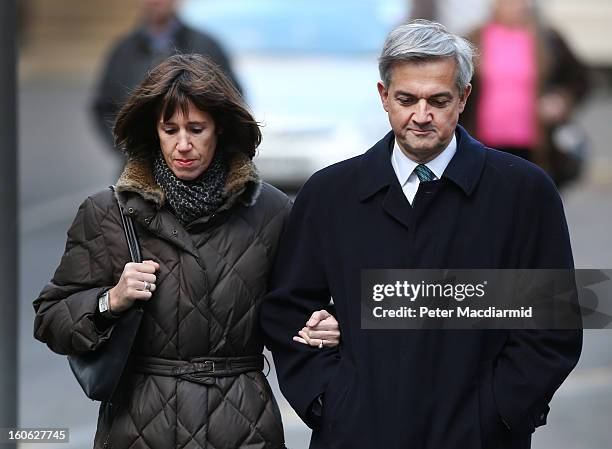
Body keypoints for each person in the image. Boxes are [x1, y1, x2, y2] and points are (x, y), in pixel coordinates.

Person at [260, 20, 582, 449]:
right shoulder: (328, 195)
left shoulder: (525, 193)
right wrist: (330, 402)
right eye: (406, 99)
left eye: (439, 100)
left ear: (464, 97)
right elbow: (288, 311)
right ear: (383, 97)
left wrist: (498, 412)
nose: (421, 116)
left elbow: (552, 322)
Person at [33, 54, 339, 449]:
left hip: (243, 426)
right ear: (153, 132)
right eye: (170, 129)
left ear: (222, 130)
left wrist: (327, 323)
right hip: (140, 426)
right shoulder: (108, 212)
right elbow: (51, 317)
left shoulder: (272, 211)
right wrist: (111, 300)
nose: (183, 144)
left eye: (197, 129)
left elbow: (299, 308)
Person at [461, 0, 590, 188]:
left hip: (535, 145)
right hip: (482, 142)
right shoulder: (475, 38)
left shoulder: (548, 38)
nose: (514, 6)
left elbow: (579, 80)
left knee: (528, 205)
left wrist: (561, 100)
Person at [92, 0, 242, 155]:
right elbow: (104, 106)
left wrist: (215, 154)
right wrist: (127, 148)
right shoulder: (124, 51)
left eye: (196, 129)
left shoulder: (206, 45)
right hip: (136, 164)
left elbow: (233, 102)